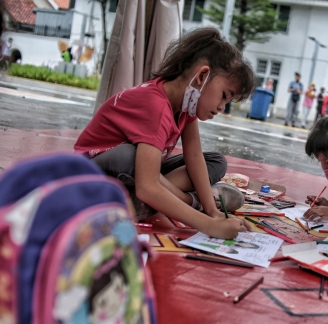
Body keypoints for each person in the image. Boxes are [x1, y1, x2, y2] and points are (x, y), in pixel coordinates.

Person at [74, 27, 255, 239]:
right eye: (224, 95)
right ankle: (178, 201)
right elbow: (147, 186)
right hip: (92, 175)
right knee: (129, 158)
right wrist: (209, 225)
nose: (222, 106)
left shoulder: (188, 105)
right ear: (202, 76)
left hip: (143, 175)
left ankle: (149, 203)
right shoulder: (156, 105)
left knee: (215, 162)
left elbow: (194, 156)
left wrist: (213, 211)